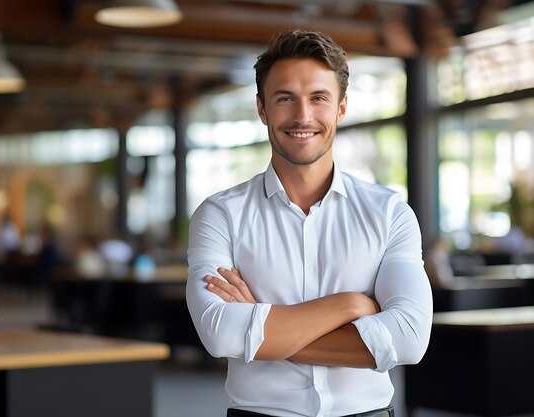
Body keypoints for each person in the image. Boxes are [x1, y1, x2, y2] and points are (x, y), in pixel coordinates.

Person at [186, 30, 433, 417]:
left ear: (341, 108)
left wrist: (262, 330)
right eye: (285, 98)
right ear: (262, 109)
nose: (303, 116)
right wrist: (348, 305)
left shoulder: (390, 213)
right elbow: (219, 333)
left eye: (318, 98)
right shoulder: (220, 214)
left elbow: (409, 340)